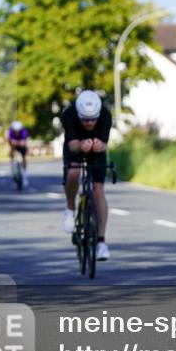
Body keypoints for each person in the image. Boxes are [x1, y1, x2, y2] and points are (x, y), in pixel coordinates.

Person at [60, 90, 113, 261]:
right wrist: (82, 145)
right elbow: (72, 145)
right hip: (75, 146)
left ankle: (101, 242)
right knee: (74, 171)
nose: (89, 123)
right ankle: (70, 209)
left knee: (98, 189)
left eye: (93, 119)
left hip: (96, 151)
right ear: (78, 114)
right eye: (85, 119)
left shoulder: (105, 115)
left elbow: (104, 144)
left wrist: (99, 145)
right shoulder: (69, 115)